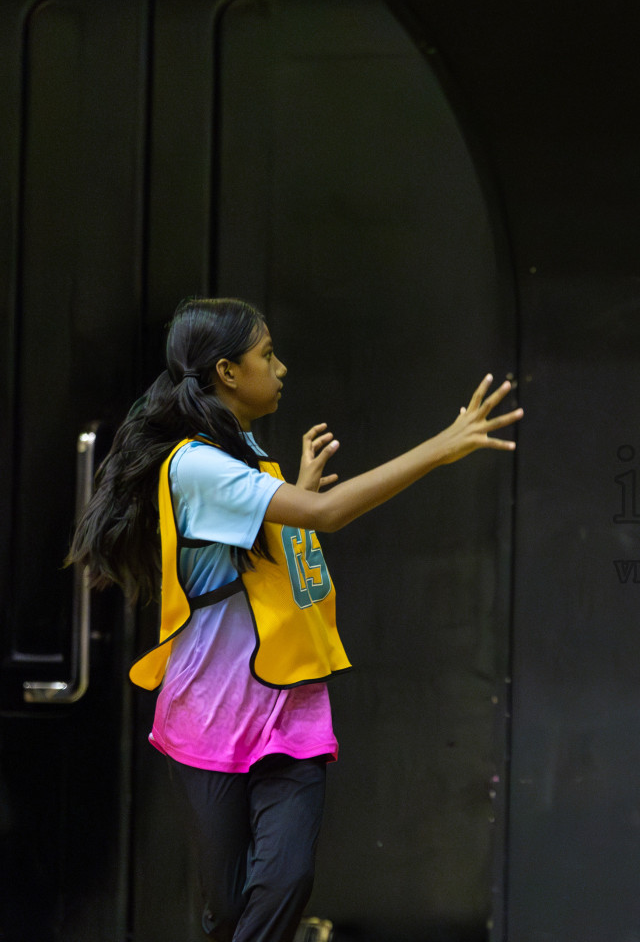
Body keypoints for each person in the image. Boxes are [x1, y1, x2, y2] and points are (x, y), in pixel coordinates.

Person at [68, 297, 522, 942]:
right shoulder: (197, 465)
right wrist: (438, 449)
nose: (281, 368)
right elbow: (324, 515)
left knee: (285, 882)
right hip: (210, 715)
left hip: (289, 708)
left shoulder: (245, 451)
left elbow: (285, 546)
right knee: (228, 910)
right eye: (267, 355)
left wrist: (301, 492)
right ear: (227, 372)